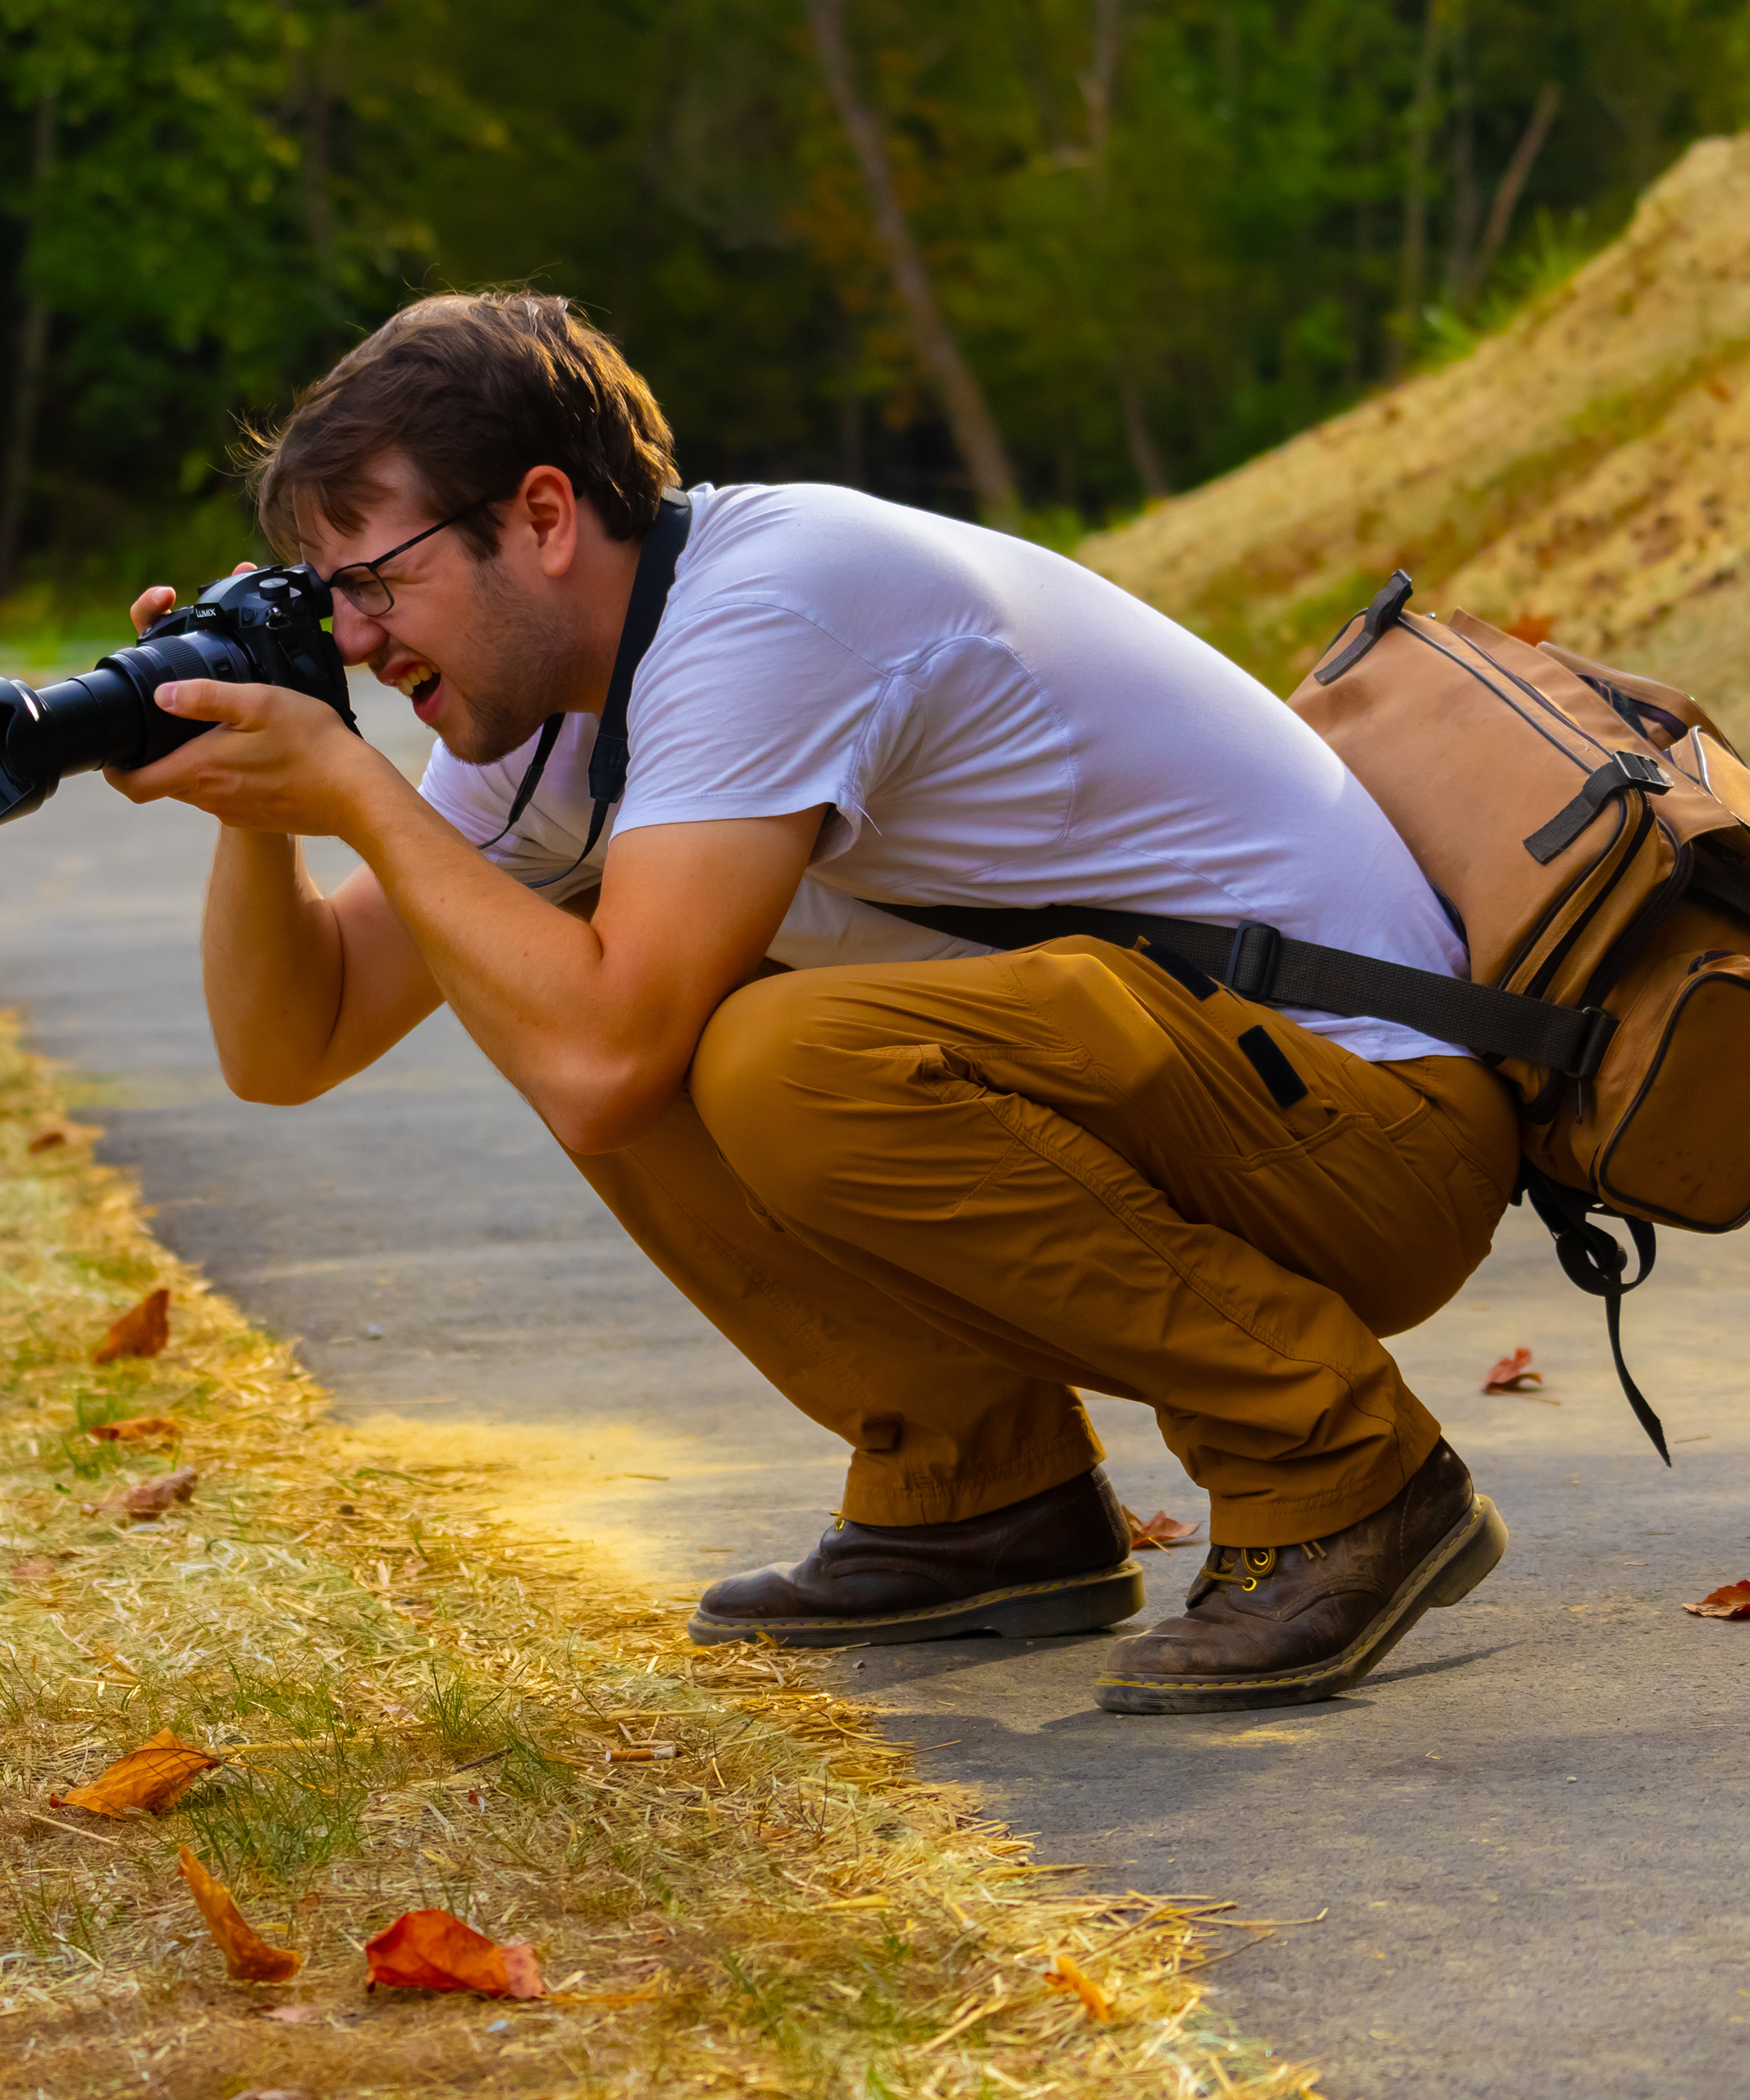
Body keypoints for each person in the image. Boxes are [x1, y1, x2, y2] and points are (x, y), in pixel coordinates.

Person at [106, 291, 1519, 1714]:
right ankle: (975, 1493)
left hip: (1381, 1129)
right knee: (535, 954)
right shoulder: (546, 705)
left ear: (542, 517)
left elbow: (603, 1063)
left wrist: (351, 791)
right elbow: (294, 1044)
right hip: (1239, 1106)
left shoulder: (768, 607)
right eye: (325, 600)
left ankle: (1341, 1472)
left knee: (754, 1048)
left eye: (378, 580)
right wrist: (254, 801)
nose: (355, 640)